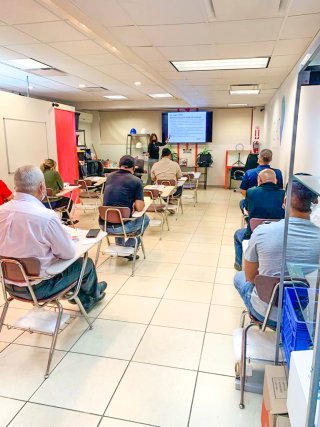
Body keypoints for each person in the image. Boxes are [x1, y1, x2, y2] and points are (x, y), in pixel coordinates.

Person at [0, 165, 106, 312]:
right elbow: (67, 253)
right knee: (84, 263)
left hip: (8, 285)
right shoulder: (46, 217)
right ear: (41, 187)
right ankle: (93, 294)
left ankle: (85, 296)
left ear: (15, 186)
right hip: (40, 288)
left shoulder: (2, 211)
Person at [234, 181, 320, 327]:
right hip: (301, 311)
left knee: (239, 276)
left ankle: (260, 318)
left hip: (265, 311)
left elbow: (250, 277)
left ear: (285, 201)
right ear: (315, 203)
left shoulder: (262, 231)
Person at [99, 155, 150, 260]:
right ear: (134, 168)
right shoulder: (136, 181)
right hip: (121, 227)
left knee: (117, 213)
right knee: (145, 219)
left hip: (104, 224)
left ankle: (120, 246)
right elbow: (139, 208)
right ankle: (129, 247)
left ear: (119, 165)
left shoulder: (109, 177)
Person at [234, 169, 285, 270]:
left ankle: (239, 264)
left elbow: (248, 210)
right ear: (275, 180)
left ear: (259, 180)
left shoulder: (251, 192)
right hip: (278, 235)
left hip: (253, 234)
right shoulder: (283, 194)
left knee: (237, 234)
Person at [239, 149, 283, 213]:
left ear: (259, 158)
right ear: (271, 159)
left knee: (242, 202)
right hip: (272, 207)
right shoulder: (278, 172)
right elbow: (279, 189)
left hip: (254, 207)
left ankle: (248, 217)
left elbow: (243, 191)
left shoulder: (249, 173)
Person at [40, 159, 75, 224]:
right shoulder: (55, 173)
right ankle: (64, 220)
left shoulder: (40, 173)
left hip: (42, 202)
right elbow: (61, 187)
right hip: (53, 202)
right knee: (69, 201)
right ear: (53, 166)